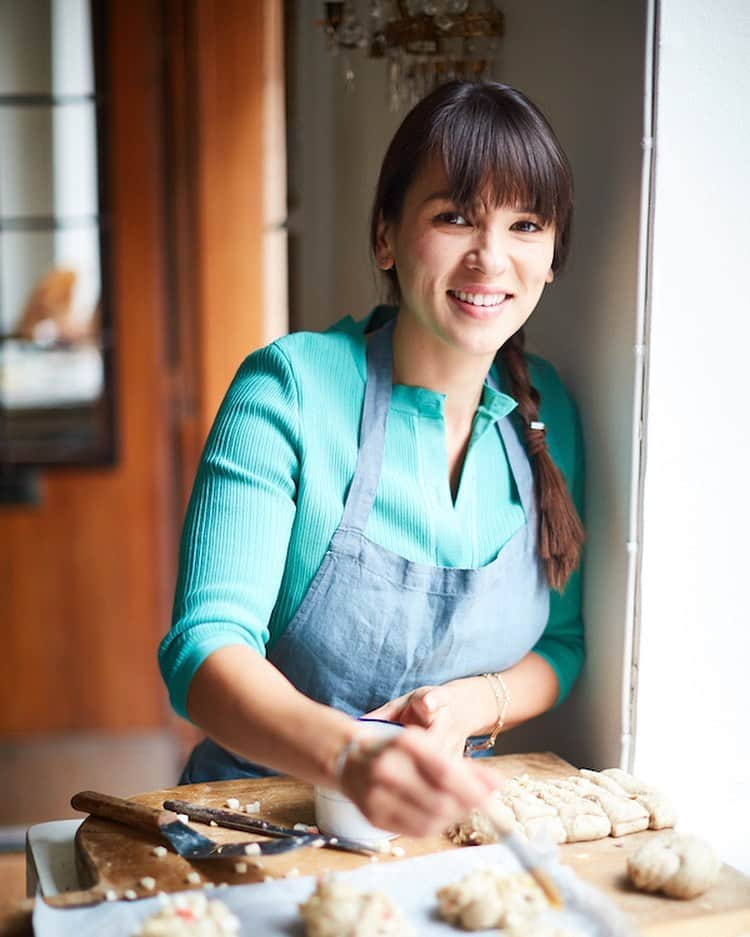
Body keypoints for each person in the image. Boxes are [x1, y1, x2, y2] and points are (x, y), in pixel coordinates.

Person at [159, 80, 585, 837]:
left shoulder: (544, 408)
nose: (490, 257)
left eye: (525, 224)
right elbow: (203, 650)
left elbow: (561, 644)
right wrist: (350, 754)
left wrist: (463, 706)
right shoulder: (290, 388)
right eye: (455, 216)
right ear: (385, 236)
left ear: (552, 259)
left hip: (447, 834)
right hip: (250, 830)